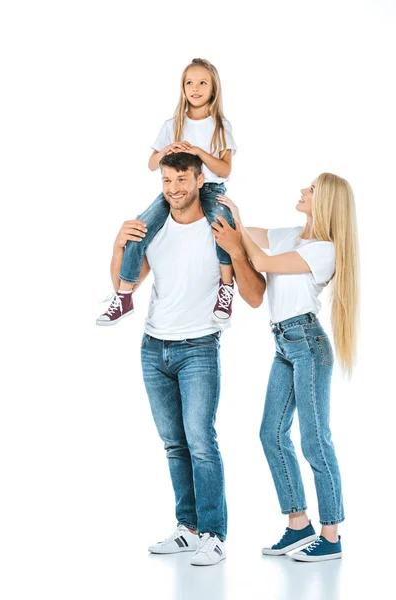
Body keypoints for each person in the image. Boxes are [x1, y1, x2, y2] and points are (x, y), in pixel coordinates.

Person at [109, 152, 265, 566]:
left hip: (198, 346)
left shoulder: (219, 224)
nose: (174, 189)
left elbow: (254, 295)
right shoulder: (155, 229)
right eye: (166, 181)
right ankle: (188, 528)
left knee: (200, 442)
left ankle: (213, 534)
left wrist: (236, 245)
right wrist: (117, 243)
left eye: (182, 179)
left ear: (199, 181)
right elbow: (125, 284)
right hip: (153, 347)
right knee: (174, 444)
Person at [211, 173, 359, 562]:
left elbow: (259, 260)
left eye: (310, 189)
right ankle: (298, 525)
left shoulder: (324, 249)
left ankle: (331, 535)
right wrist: (233, 215)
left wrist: (237, 239)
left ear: (324, 201)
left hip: (307, 343)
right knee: (271, 434)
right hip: (283, 343)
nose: (302, 191)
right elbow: (248, 234)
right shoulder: (291, 234)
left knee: (315, 440)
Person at [96, 58, 237, 326]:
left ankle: (226, 287)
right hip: (175, 190)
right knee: (141, 228)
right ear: (183, 88)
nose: (195, 88)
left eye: (202, 82)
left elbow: (225, 169)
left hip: (208, 187)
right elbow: (152, 164)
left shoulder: (221, 126)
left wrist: (198, 151)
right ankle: (124, 296)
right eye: (189, 83)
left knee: (223, 223)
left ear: (213, 89)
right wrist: (165, 151)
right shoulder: (172, 125)